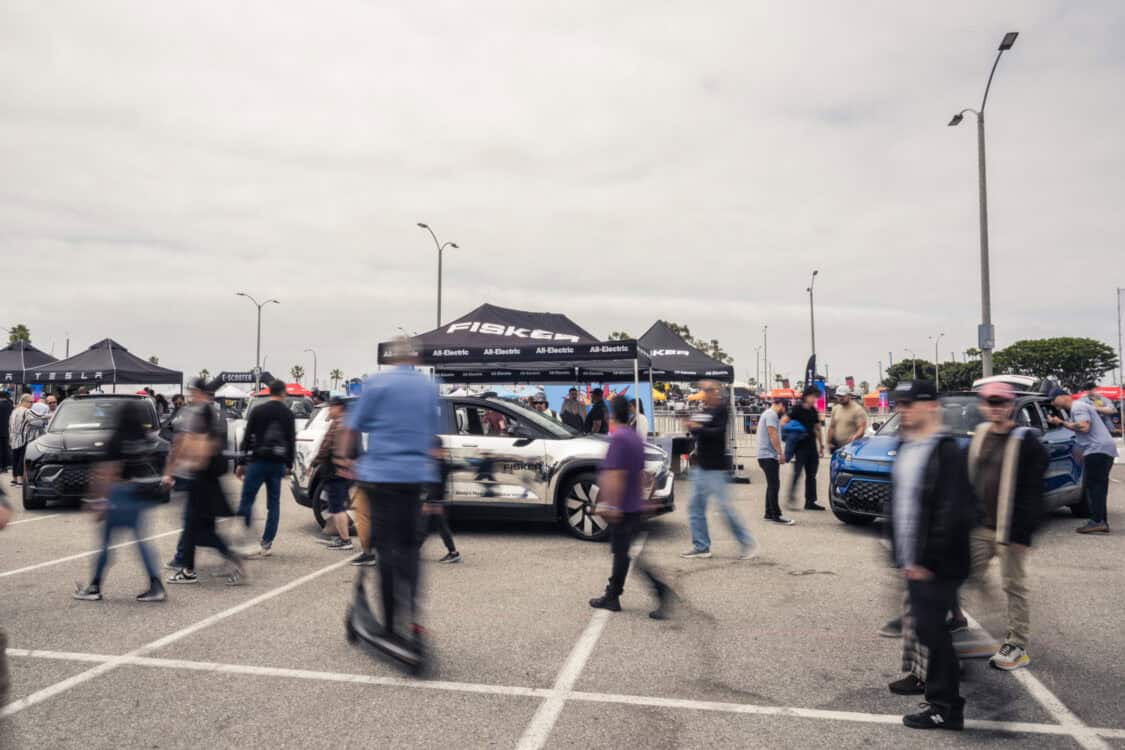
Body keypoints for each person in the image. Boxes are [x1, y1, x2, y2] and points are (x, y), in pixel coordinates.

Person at [337, 339, 439, 647]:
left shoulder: (377, 384)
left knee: (386, 550)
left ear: (391, 358)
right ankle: (414, 619)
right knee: (409, 549)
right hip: (415, 479)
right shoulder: (427, 387)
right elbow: (432, 436)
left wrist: (345, 462)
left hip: (381, 479)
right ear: (415, 359)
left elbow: (352, 427)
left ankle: (391, 626)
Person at [886, 380, 973, 731]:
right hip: (914, 562)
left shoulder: (946, 450)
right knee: (928, 629)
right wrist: (899, 553)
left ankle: (946, 706)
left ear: (931, 406)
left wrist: (926, 561)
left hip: (936, 564)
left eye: (909, 403)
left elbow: (953, 512)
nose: (902, 409)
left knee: (932, 632)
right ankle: (944, 697)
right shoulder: (907, 445)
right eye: (899, 403)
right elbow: (899, 503)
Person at [957, 381, 1047, 671]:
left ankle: (1017, 644)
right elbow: (968, 475)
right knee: (961, 574)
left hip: (1011, 530)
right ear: (984, 406)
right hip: (979, 526)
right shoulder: (981, 434)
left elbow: (1034, 492)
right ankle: (956, 625)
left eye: (1002, 403)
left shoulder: (1026, 441)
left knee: (1014, 586)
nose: (996, 408)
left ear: (1011, 406)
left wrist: (1023, 532)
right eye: (991, 403)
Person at [72, 398, 167, 602]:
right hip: (142, 493)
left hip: (122, 493)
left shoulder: (116, 439)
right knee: (142, 541)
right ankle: (155, 583)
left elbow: (106, 472)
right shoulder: (144, 438)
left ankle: (95, 586)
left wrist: (96, 500)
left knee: (106, 542)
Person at [589, 395, 672, 618]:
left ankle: (660, 591)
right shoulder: (634, 438)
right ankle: (613, 594)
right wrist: (648, 500)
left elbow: (616, 474)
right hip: (634, 504)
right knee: (623, 554)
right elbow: (642, 473)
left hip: (624, 507)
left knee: (626, 555)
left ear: (611, 415)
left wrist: (611, 505)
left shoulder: (618, 439)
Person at [166, 379, 244, 586]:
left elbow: (194, 443)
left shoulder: (199, 412)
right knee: (198, 527)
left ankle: (225, 562)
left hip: (200, 479)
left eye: (193, 391)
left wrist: (186, 465)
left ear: (199, 392)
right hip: (209, 478)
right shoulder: (216, 413)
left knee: (195, 527)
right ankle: (189, 566)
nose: (191, 395)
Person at [681, 380, 759, 560]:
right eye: (703, 390)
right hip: (700, 466)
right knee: (695, 507)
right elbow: (696, 433)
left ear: (716, 391)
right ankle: (701, 546)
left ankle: (747, 542)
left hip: (714, 467)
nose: (705, 393)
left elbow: (718, 432)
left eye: (709, 390)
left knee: (724, 508)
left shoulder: (721, 409)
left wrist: (699, 427)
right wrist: (690, 426)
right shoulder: (703, 409)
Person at [236, 379, 296, 557]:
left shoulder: (258, 410)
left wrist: (241, 461)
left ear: (270, 392)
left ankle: (248, 540)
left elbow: (247, 436)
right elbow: (291, 440)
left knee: (247, 500)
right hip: (277, 464)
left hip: (258, 461)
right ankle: (266, 543)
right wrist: (289, 464)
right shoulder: (288, 414)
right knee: (274, 503)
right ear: (283, 393)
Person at [1047, 386, 1118, 534]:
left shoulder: (1077, 407)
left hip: (1096, 450)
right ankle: (1100, 521)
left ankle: (1097, 521)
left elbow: (1084, 427)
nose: (1053, 403)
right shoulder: (1080, 406)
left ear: (1062, 396)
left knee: (1094, 487)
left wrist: (1061, 423)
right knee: (1098, 487)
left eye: (1053, 399)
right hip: (1103, 449)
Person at [312, 396, 353, 551]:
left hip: (335, 470)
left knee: (337, 507)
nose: (329, 410)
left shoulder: (339, 424)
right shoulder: (350, 423)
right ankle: (340, 537)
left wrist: (315, 462)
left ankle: (345, 540)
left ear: (339, 407)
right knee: (338, 505)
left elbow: (327, 446)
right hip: (346, 470)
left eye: (331, 407)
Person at [782, 386, 825, 511]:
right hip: (800, 447)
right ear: (806, 396)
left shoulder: (813, 410)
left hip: (812, 446)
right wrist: (793, 433)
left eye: (816, 397)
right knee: (797, 473)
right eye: (813, 396)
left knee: (812, 475)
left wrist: (821, 445)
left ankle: (810, 501)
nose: (814, 399)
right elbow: (783, 422)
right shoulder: (797, 409)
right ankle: (790, 498)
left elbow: (817, 428)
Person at [423, 436, 461, 563]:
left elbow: (434, 487)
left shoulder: (437, 465)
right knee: (426, 527)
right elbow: (456, 466)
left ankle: (453, 553)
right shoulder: (440, 463)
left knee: (426, 527)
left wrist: (430, 502)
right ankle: (453, 552)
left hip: (435, 502)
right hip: (436, 501)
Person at [756, 399, 794, 525]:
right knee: (774, 485)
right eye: (785, 409)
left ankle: (768, 512)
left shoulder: (767, 413)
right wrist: (780, 453)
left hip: (764, 455)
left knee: (771, 484)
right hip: (768, 455)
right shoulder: (771, 415)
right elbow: (772, 434)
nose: (784, 413)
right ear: (781, 405)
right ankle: (776, 515)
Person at [827, 386, 867, 453]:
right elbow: (832, 426)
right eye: (838, 396)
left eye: (842, 396)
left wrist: (854, 437)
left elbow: (861, 428)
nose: (840, 398)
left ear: (849, 395)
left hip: (851, 447)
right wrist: (829, 441)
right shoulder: (835, 408)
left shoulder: (857, 410)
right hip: (837, 446)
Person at [8, 394, 33, 486]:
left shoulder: (14, 411)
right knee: (21, 459)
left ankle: (14, 479)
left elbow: (10, 425)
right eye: (31, 402)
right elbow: (37, 419)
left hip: (13, 438)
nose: (32, 404)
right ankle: (20, 480)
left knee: (15, 458)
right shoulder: (27, 411)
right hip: (23, 438)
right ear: (24, 401)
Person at [0, 391, 12, 475]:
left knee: (0, 449)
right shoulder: (10, 405)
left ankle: (1, 466)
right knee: (5, 449)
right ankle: (5, 467)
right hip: (7, 430)